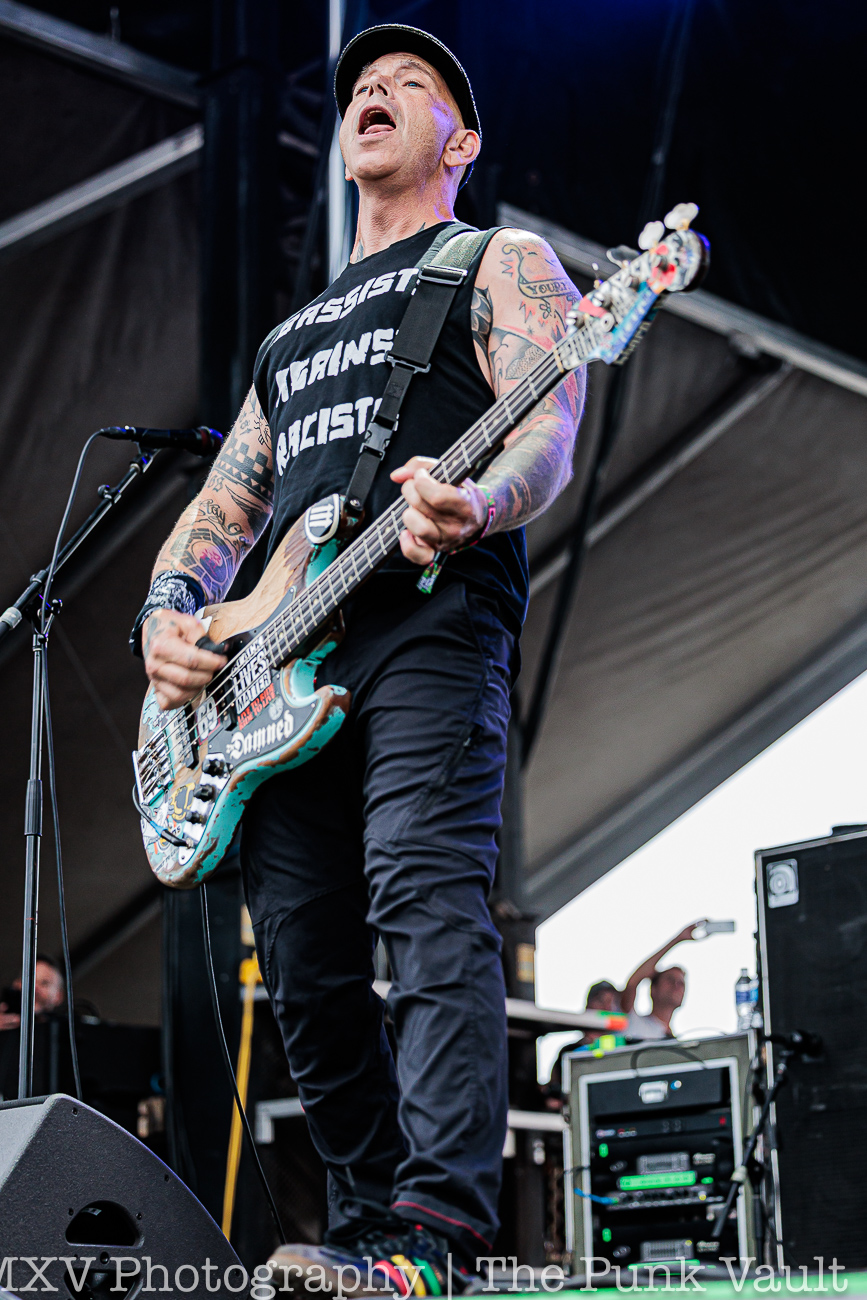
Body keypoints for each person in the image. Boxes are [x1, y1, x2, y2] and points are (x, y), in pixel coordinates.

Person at [133, 23, 584, 1293]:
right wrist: (171, 615)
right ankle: (372, 1227)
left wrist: (480, 503)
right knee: (304, 955)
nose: (373, 91)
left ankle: (439, 1231)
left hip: (432, 616)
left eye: (410, 84)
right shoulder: (291, 339)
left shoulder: (499, 260)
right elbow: (224, 505)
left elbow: (547, 424)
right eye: (360, 87)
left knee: (422, 893)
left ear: (462, 139)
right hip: (272, 671)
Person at [621, 922, 705, 1040]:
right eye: (670, 980)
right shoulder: (632, 1021)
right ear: (653, 989)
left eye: (681, 983)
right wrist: (678, 939)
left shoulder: (676, 1041)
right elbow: (633, 982)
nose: (676, 986)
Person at [546, 980, 620, 1101]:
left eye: (613, 1003)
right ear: (588, 1006)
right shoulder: (569, 1051)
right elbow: (554, 1095)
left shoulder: (622, 1047)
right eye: (601, 1001)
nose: (607, 1008)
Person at [0, 954, 66, 1030]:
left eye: (44, 983)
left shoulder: (67, 1031)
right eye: (28, 980)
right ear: (16, 984)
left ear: (59, 996)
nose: (35, 988)